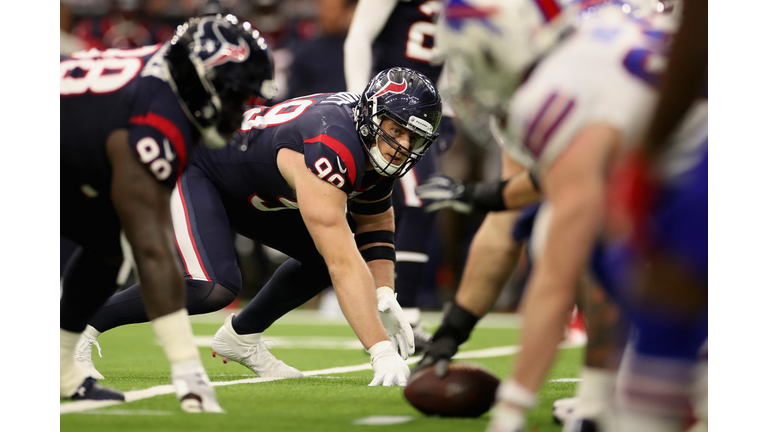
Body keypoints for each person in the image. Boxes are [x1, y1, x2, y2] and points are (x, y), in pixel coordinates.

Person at [414, 0, 706, 430]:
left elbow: (556, 276)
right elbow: (581, 163)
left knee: (579, 242)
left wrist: (511, 409)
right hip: (694, 163)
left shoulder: (550, 94)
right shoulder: (601, 30)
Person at [76, 67, 443, 387]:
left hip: (248, 187)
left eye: (415, 137)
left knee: (320, 256)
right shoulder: (332, 142)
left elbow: (375, 223)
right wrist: (379, 349)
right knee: (211, 287)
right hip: (197, 162)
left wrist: (384, 294)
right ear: (372, 117)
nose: (402, 145)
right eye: (396, 130)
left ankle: (242, 337)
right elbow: (344, 263)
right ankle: (78, 323)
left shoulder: (372, 145)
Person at [61, 14, 276, 412]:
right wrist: (187, 370)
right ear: (202, 79)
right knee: (133, 239)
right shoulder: (159, 115)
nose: (237, 112)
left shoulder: (167, 78)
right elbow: (153, 250)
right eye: (232, 97)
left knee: (105, 240)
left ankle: (58, 368)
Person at [344, 0, 450, 351]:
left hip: (423, 113)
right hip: (389, 111)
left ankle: (406, 313)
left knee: (424, 203)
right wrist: (360, 100)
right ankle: (402, 314)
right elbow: (358, 36)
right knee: (417, 202)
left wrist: (446, 111)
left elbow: (448, 52)